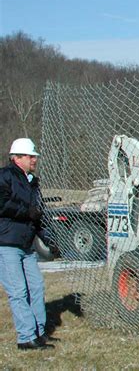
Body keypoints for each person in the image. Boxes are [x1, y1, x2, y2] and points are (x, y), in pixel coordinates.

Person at [0, 138, 59, 350]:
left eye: (34, 156)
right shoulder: (4, 177)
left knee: (36, 287)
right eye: (30, 156)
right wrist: (26, 211)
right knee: (18, 291)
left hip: (26, 244)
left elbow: (38, 216)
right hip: (6, 244)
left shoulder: (33, 182)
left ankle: (39, 333)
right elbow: (3, 206)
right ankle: (25, 338)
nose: (34, 159)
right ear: (17, 158)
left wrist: (50, 240)